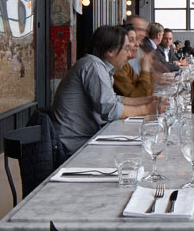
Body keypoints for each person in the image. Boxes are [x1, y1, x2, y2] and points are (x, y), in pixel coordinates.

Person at [53, 25, 158, 157]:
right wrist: (147, 109)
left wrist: (148, 100)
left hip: (86, 140)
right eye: (126, 48)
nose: (129, 52)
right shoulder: (93, 65)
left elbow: (115, 99)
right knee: (136, 155)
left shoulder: (101, 67)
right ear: (110, 51)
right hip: (74, 147)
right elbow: (110, 110)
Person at [113, 25, 153, 97]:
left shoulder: (126, 65)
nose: (137, 44)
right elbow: (139, 97)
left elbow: (147, 90)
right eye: (131, 40)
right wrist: (145, 70)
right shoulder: (117, 68)